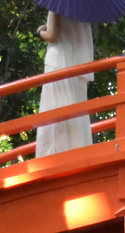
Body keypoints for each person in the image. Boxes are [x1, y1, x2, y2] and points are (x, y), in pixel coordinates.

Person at [36, 10, 94, 157]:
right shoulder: (82, 5)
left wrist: (40, 32)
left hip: (57, 62)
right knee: (75, 113)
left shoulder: (58, 1)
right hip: (77, 65)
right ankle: (78, 154)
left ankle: (53, 158)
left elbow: (52, 35)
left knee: (55, 113)